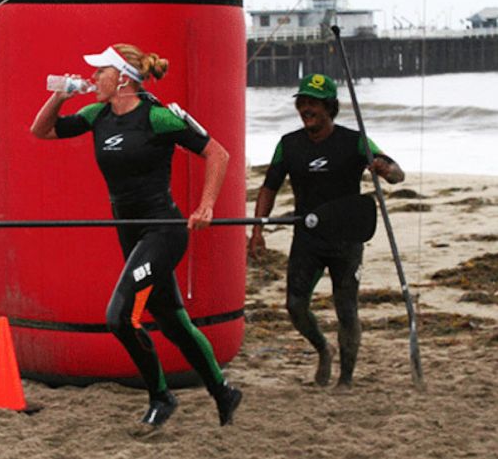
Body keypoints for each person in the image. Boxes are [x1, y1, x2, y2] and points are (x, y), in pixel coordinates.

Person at [29, 43, 242, 427]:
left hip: (164, 232)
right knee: (173, 321)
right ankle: (224, 392)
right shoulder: (97, 114)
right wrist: (59, 97)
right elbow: (41, 131)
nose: (92, 79)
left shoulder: (157, 118)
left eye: (100, 72)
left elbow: (218, 154)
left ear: (123, 78)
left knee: (120, 318)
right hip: (130, 234)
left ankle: (161, 396)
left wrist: (206, 206)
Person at [248, 73, 405, 389]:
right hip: (307, 237)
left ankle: (345, 380)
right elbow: (269, 187)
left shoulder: (354, 141)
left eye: (313, 103)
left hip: (347, 238)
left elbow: (397, 174)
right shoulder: (288, 145)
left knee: (346, 310)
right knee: (295, 305)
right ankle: (323, 349)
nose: (306, 108)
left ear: (329, 107)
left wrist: (385, 169)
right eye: (302, 102)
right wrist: (258, 229)